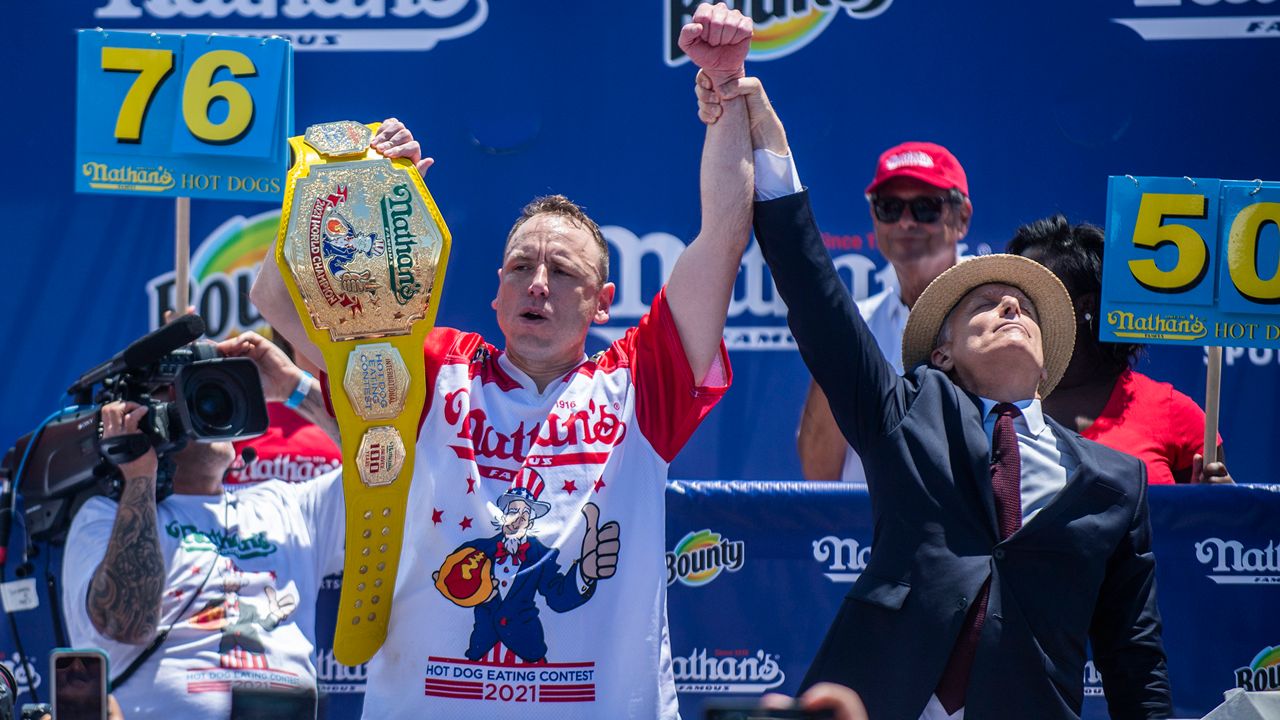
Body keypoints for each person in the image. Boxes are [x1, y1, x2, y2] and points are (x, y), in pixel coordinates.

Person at [251, 5, 755, 718]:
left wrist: (727, 88)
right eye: (521, 266)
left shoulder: (642, 381)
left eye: (563, 271)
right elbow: (277, 300)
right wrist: (353, 185)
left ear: (602, 301)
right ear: (494, 294)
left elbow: (725, 232)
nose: (539, 284)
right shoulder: (431, 367)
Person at [701, 75, 1171, 719]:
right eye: (984, 304)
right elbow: (815, 295)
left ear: (1047, 357)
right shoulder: (906, 415)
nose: (1010, 303)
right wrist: (766, 135)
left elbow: (1134, 659)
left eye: (1025, 307)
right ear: (942, 353)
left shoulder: (1117, 483)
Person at [61, 331, 343, 719]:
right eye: (184, 391)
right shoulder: (105, 516)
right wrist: (139, 474)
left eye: (216, 387)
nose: (212, 402)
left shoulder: (290, 505)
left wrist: (293, 387)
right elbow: (123, 624)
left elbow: (387, 461)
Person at [1006, 215, 1232, 484]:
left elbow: (1211, 521)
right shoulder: (991, 407)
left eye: (1031, 291)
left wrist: (1218, 504)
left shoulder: (1176, 414)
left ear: (1085, 306)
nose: (1012, 304)